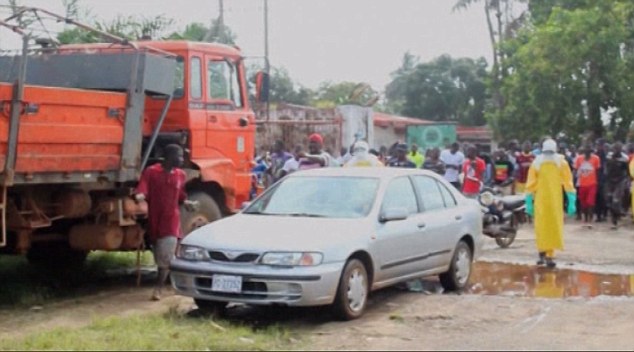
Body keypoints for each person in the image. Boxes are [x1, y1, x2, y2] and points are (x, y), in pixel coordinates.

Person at [134, 144, 197, 301]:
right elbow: (143, 188)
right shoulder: (152, 172)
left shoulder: (180, 175)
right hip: (155, 220)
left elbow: (181, 196)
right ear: (168, 157)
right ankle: (175, 278)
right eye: (179, 156)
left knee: (166, 256)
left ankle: (158, 289)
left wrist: (188, 203)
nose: (182, 159)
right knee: (159, 255)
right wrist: (140, 195)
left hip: (171, 221)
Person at [525, 139, 576, 268]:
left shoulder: (537, 163)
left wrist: (529, 201)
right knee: (550, 227)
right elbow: (568, 183)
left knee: (543, 227)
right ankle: (546, 255)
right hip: (552, 200)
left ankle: (546, 254)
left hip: (544, 200)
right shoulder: (561, 162)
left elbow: (530, 184)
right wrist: (571, 199)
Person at [603, 142, 630, 229]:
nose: (616, 150)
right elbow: (606, 167)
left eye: (618, 149)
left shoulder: (624, 158)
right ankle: (615, 215)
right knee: (609, 200)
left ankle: (616, 219)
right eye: (615, 148)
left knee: (615, 200)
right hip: (610, 181)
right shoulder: (609, 156)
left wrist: (627, 181)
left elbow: (627, 171)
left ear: (621, 149)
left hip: (620, 181)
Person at [574, 144, 601, 228]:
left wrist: (598, 182)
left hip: (592, 184)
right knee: (583, 203)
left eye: (589, 150)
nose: (587, 152)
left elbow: (598, 171)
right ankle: (585, 219)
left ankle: (590, 220)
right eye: (585, 150)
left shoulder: (596, 159)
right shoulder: (579, 159)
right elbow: (576, 170)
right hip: (582, 184)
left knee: (591, 202)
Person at [595, 139, 609, 222]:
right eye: (598, 145)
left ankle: (604, 215)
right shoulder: (596, 155)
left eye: (600, 145)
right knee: (597, 198)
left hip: (604, 179)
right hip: (597, 178)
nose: (599, 146)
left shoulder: (607, 155)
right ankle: (598, 216)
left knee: (604, 198)